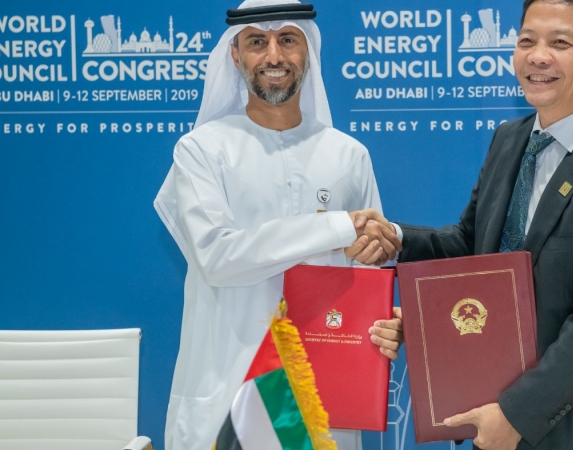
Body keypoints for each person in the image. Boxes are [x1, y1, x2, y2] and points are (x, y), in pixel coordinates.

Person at [350, 0, 573, 448]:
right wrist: (396, 239)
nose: (538, 56)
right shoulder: (509, 141)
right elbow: (472, 247)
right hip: (489, 414)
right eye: (527, 40)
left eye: (560, 42)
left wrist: (514, 415)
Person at [153, 1, 402, 449]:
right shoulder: (201, 151)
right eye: (256, 42)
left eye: (288, 39)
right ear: (235, 55)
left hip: (321, 396)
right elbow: (218, 258)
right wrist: (336, 228)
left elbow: (367, 278)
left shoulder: (349, 155)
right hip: (229, 388)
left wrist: (386, 323)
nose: (273, 56)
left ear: (308, 51)